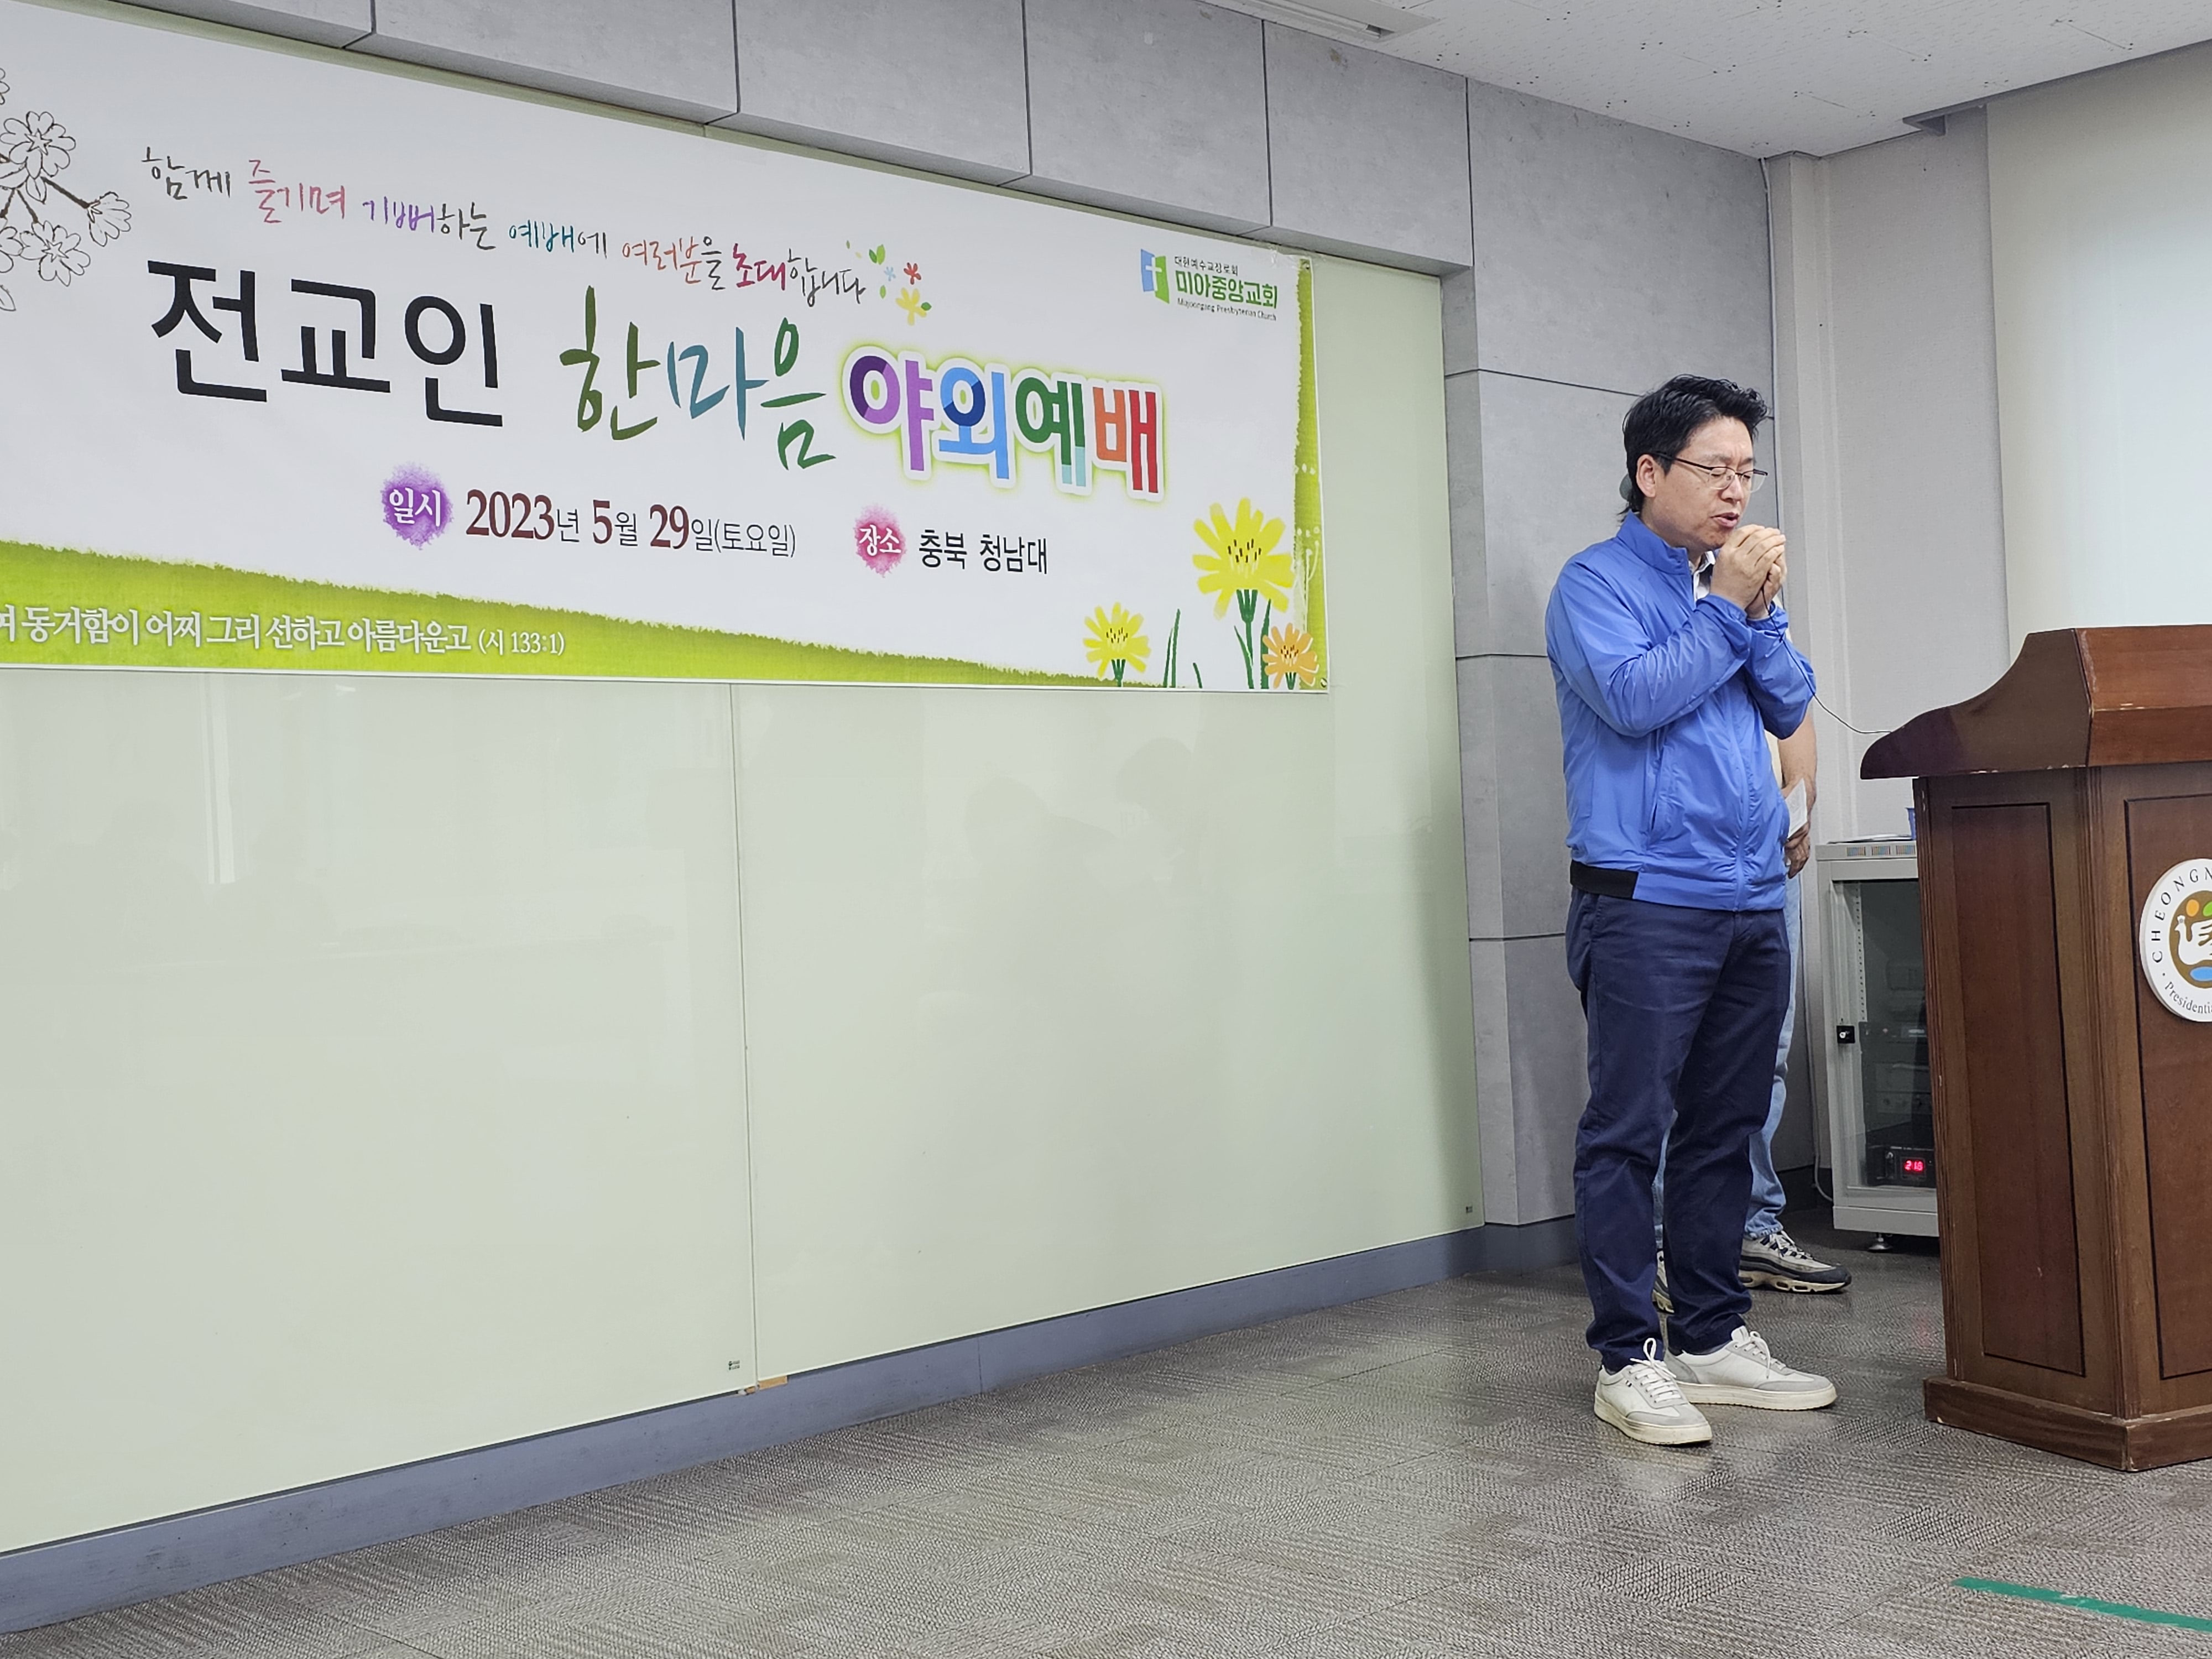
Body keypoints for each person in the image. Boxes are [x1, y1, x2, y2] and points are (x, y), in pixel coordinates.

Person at [1545, 375, 1838, 1447]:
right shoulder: (1593, 584)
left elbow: (1788, 699)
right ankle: (1628, 1358)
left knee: (1725, 1128)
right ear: (1648, 472)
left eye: (1746, 473)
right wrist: (1723, 606)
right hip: (1644, 902)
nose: (1735, 492)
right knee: (1628, 1134)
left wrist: (1755, 612)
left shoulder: (1729, 587)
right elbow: (1633, 701)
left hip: (1748, 895)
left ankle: (1711, 1337)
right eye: (1714, 469)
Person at [1653, 716, 1855, 1310]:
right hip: (1688, 851)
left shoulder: (1770, 642)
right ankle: (1667, 1241)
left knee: (1765, 1054)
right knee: (1675, 1062)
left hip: (1767, 845)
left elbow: (1793, 712)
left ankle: (1749, 1228)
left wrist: (1801, 798)